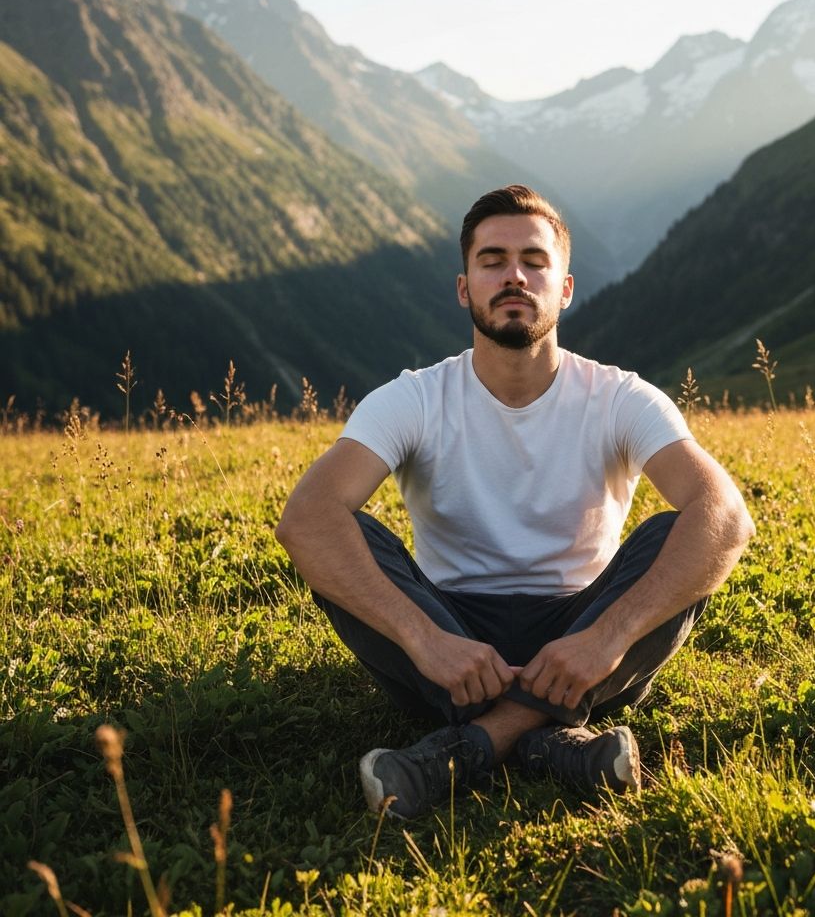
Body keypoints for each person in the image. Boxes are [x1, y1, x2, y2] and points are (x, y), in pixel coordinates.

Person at [276, 185, 754, 819]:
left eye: (534, 260)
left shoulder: (619, 397)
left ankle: (463, 751)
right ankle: (555, 742)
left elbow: (725, 516)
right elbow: (306, 519)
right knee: (346, 537)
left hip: (583, 639)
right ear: (463, 287)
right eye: (492, 260)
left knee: (681, 532)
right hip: (451, 641)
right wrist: (427, 640)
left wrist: (605, 638)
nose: (514, 276)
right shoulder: (413, 398)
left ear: (565, 287)